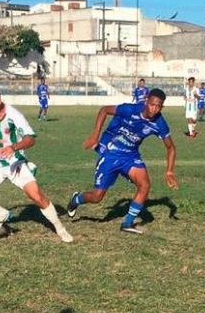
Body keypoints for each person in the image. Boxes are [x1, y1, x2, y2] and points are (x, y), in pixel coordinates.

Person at [0, 83, 73, 243]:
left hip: (15, 165)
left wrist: (14, 147)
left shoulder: (14, 115)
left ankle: (61, 230)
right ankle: (0, 213)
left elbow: (30, 139)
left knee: (37, 196)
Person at [66, 89, 178, 234]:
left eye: (158, 106)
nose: (154, 109)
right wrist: (95, 136)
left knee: (144, 185)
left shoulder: (159, 123)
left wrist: (169, 171)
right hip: (110, 153)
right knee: (97, 197)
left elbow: (171, 148)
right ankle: (76, 199)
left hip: (130, 156)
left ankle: (127, 223)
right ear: (146, 101)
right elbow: (104, 110)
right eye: (152, 104)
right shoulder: (129, 109)